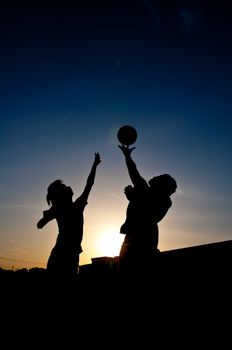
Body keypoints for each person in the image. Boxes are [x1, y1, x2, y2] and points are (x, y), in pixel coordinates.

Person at [37, 152, 101, 278]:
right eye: (65, 187)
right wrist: (50, 214)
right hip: (64, 254)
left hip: (67, 254)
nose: (69, 186)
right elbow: (39, 224)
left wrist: (94, 165)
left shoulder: (71, 206)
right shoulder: (74, 206)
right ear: (63, 195)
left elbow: (39, 225)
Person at [118, 144, 177, 281]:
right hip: (140, 242)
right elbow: (134, 172)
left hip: (139, 244)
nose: (156, 176)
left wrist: (134, 197)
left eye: (160, 177)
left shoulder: (152, 194)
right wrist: (134, 198)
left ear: (162, 186)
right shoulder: (152, 195)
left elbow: (133, 171)